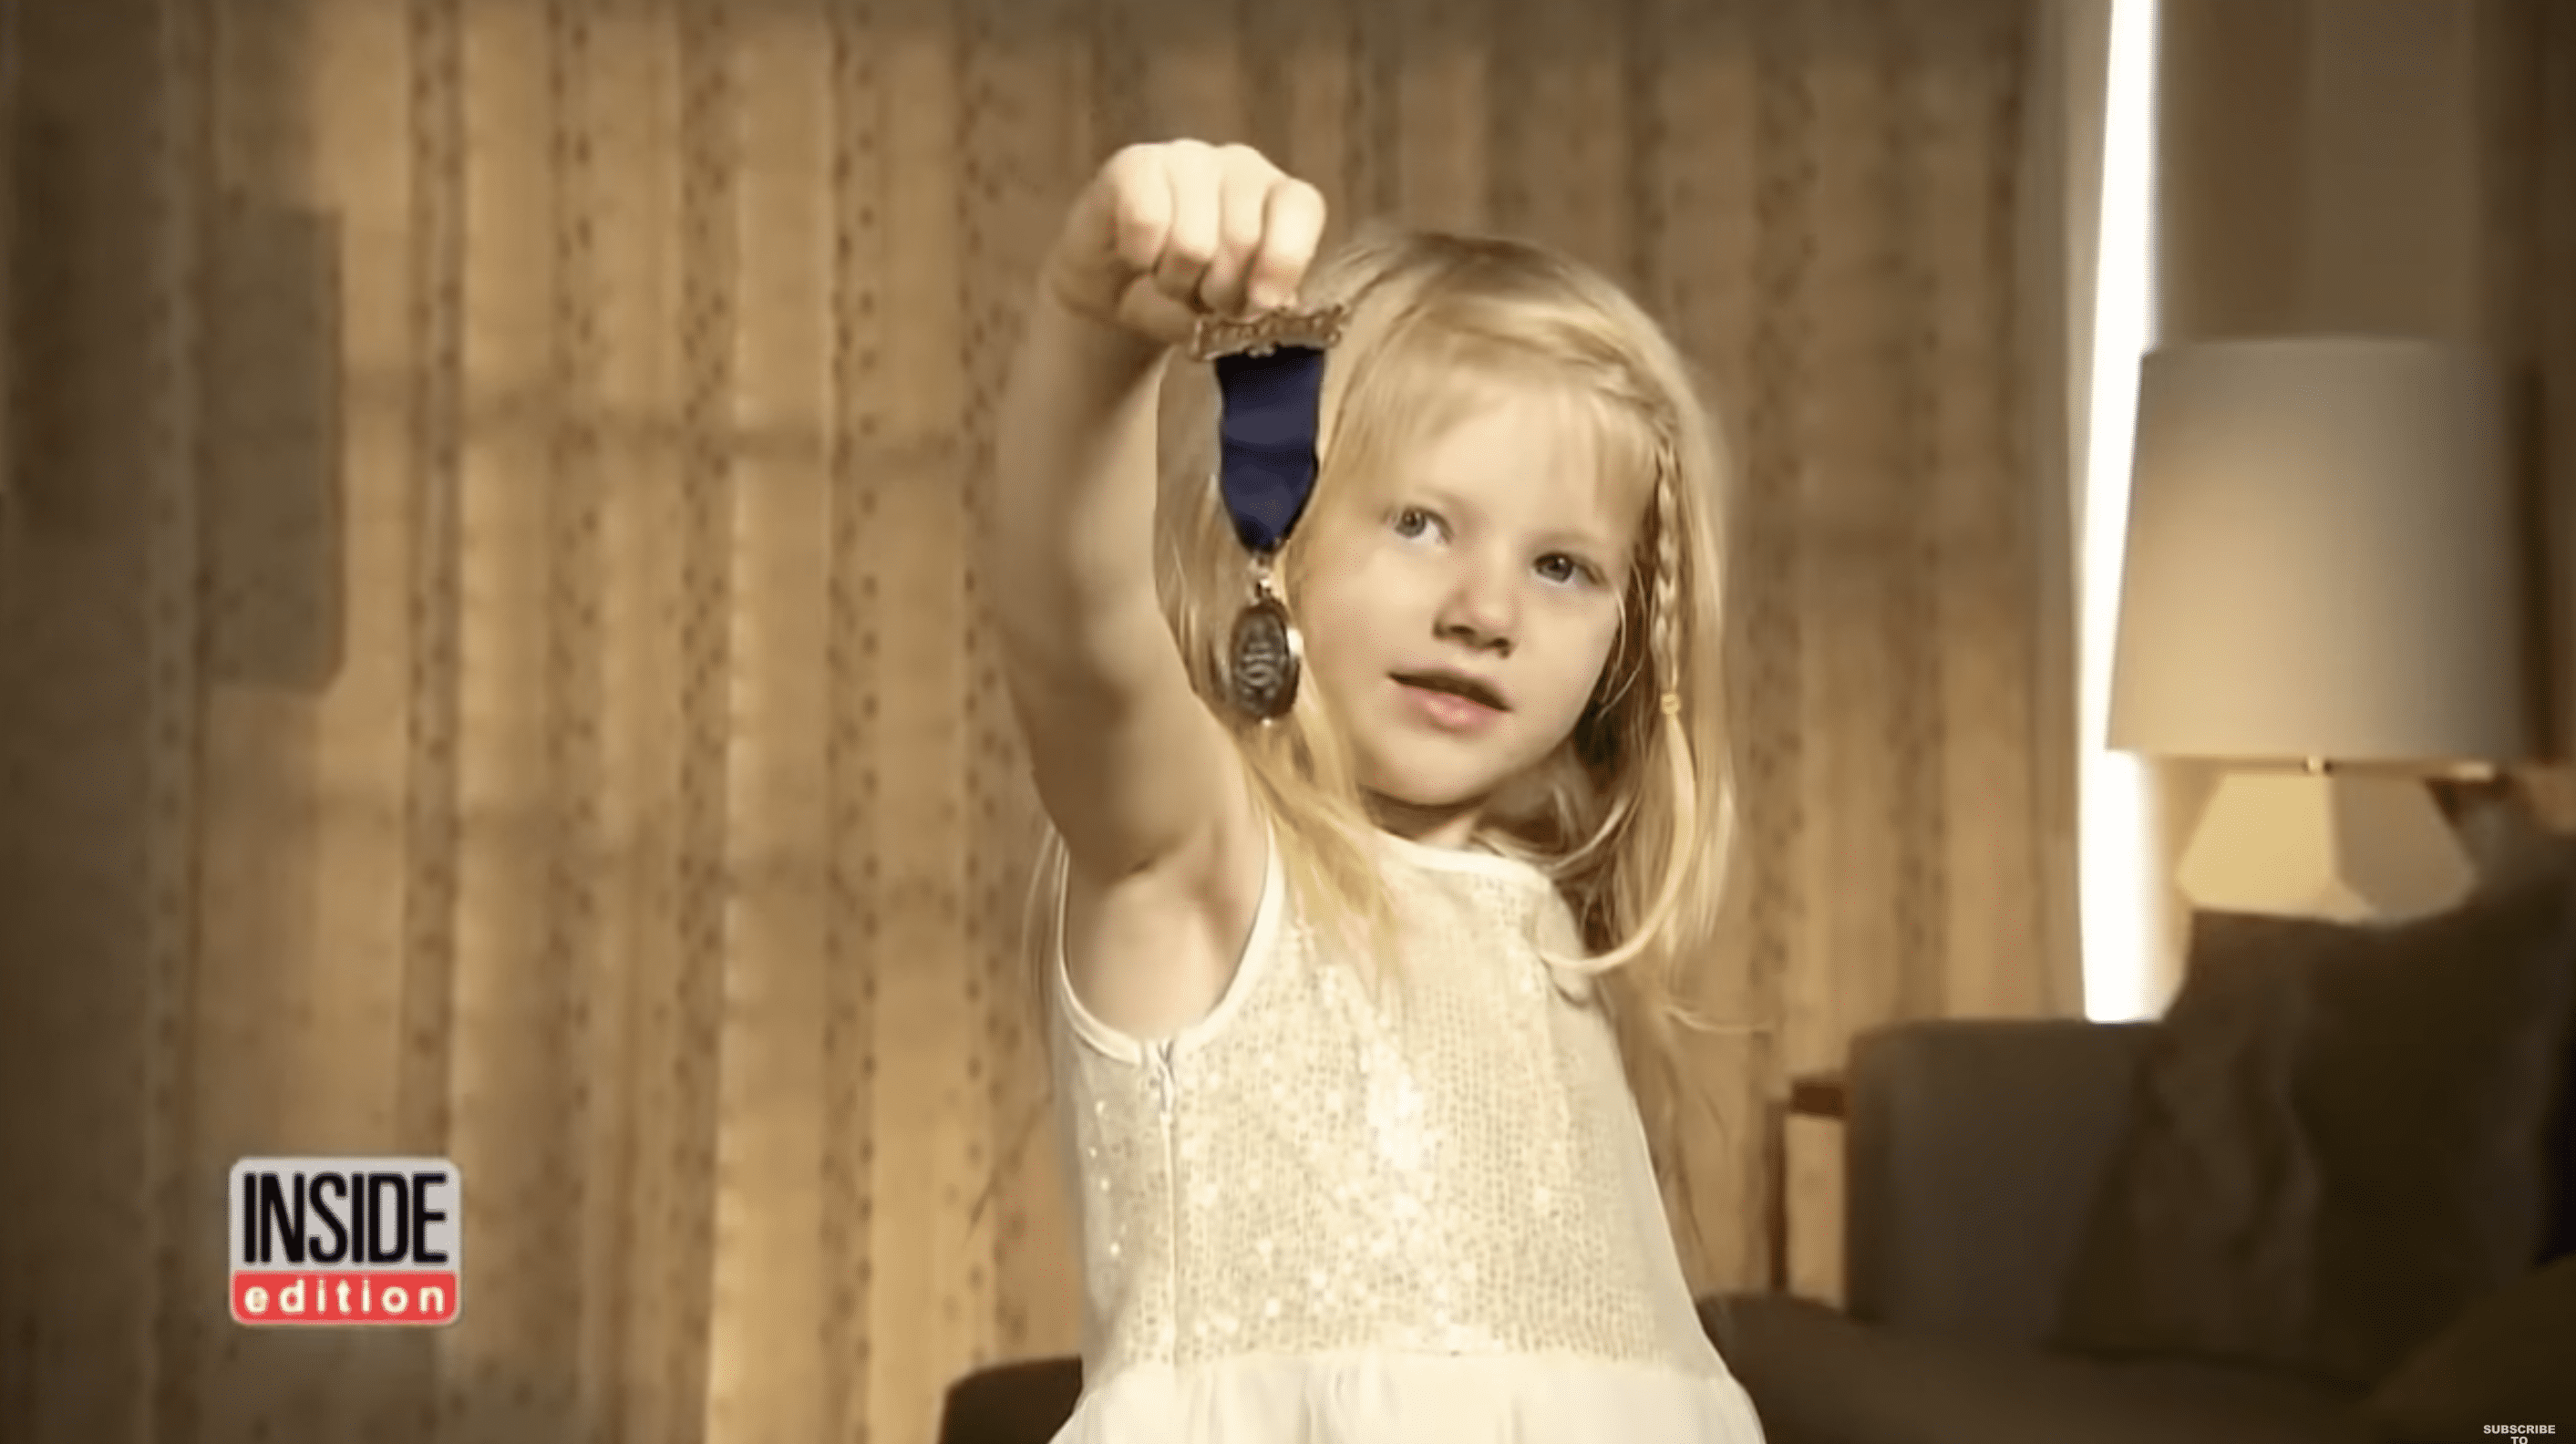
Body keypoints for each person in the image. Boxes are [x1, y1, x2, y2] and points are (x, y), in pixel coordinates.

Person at [986, 137, 1767, 1442]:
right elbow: (1081, 634)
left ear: (1628, 638)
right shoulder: (1204, 861)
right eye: (1418, 523)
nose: (1484, 611)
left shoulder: (1546, 930)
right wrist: (1091, 336)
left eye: (1563, 566)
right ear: (1269, 534)